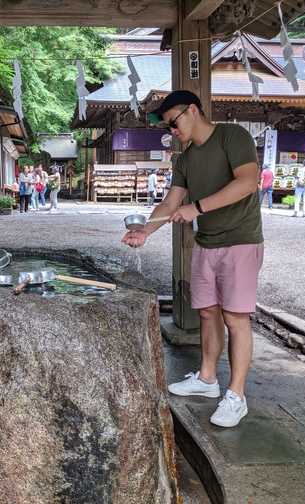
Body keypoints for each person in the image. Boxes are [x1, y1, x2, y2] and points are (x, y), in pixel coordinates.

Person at [122, 90, 263, 428]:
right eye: (168, 126)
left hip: (240, 241)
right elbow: (172, 203)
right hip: (206, 243)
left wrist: (197, 208)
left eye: (174, 122)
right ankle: (207, 378)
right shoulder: (184, 159)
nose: (172, 130)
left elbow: (248, 182)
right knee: (207, 313)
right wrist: (145, 230)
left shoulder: (232, 136)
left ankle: (237, 395)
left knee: (235, 318)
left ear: (193, 111)